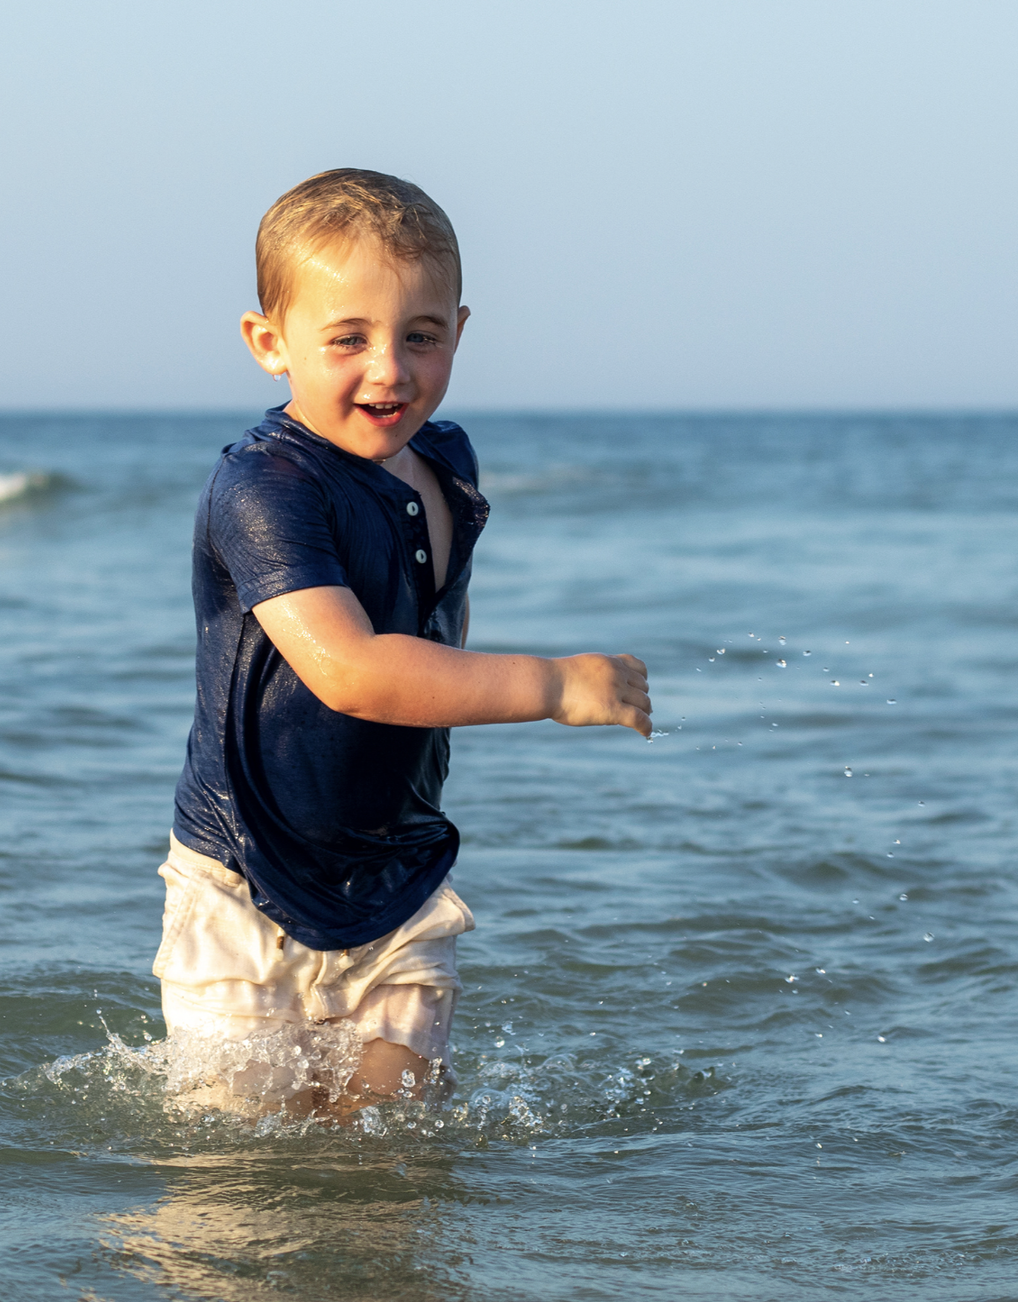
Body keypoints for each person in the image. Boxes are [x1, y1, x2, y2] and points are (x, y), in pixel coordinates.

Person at [155, 168, 653, 1121]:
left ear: (459, 333)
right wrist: (553, 684)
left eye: (421, 336)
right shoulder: (263, 491)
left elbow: (433, 619)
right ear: (271, 343)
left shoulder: (446, 462)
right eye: (348, 338)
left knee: (391, 1146)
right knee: (234, 1174)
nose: (390, 368)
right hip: (244, 878)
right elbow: (350, 671)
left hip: (398, 873)